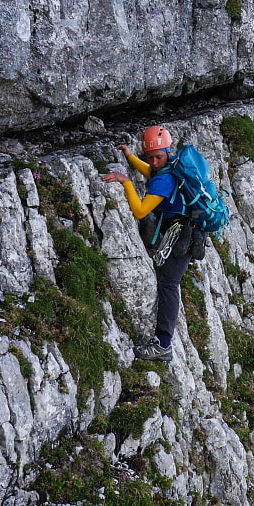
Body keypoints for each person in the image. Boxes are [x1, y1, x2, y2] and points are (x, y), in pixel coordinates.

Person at [100, 125, 200, 363]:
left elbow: (140, 210)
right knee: (167, 279)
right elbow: (151, 172)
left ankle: (163, 345)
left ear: (167, 152)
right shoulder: (172, 165)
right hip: (187, 226)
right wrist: (130, 157)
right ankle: (163, 341)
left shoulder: (164, 179)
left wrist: (126, 183)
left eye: (158, 157)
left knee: (168, 283)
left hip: (183, 233)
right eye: (150, 157)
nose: (154, 162)